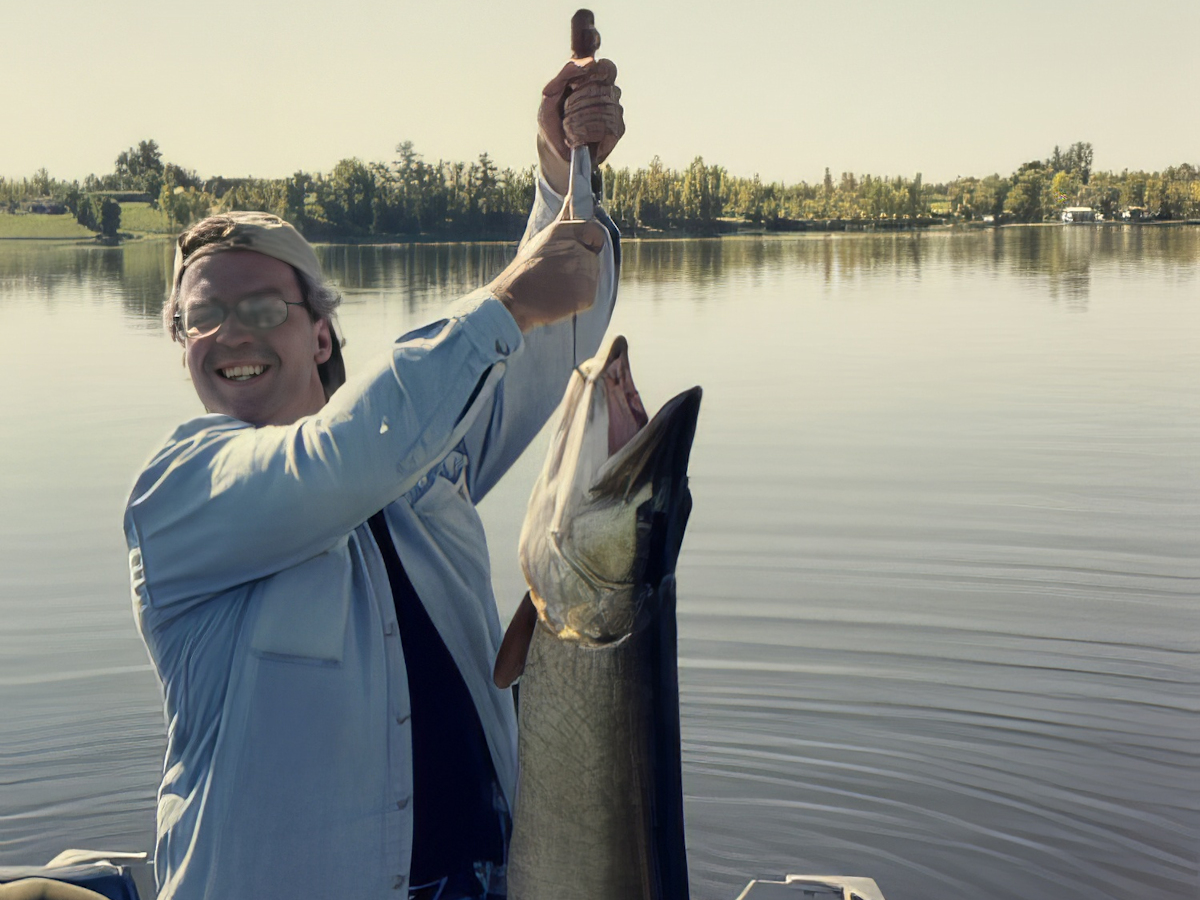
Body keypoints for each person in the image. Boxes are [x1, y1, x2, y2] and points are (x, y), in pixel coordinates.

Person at [124, 57, 624, 900]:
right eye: (201, 316)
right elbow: (332, 462)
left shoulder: (420, 460)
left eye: (261, 308)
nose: (230, 334)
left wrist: (562, 174)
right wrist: (502, 303)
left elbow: (552, 338)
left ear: (321, 335)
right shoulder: (180, 496)